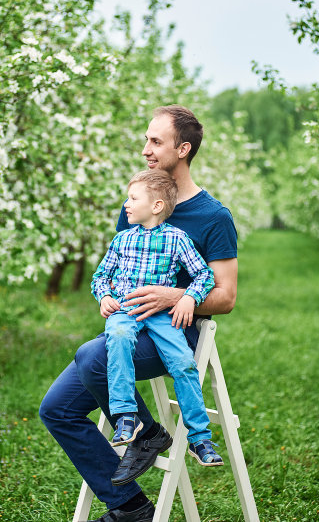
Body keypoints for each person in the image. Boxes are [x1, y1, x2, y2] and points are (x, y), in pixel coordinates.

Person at [39, 105, 238, 522]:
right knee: (56, 408)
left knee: (91, 357)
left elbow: (225, 296)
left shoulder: (213, 217)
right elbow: (115, 270)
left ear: (183, 149)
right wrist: (104, 297)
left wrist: (174, 295)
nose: (146, 149)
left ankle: (146, 434)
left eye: (156, 141)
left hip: (176, 331)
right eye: (146, 139)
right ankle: (129, 507)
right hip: (127, 326)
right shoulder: (138, 203)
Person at [91, 169, 223, 467]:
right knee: (119, 338)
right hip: (125, 310)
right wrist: (105, 297)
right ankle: (126, 416)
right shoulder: (122, 240)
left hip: (163, 315)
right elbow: (101, 276)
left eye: (133, 198)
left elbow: (204, 275)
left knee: (184, 363)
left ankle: (200, 438)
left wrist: (189, 297)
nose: (126, 203)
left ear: (156, 206)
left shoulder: (177, 239)